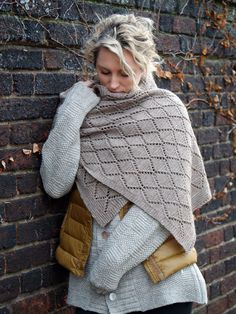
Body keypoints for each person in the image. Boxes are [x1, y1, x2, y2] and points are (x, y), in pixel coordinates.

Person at [40, 14, 212, 314]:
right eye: (105, 72)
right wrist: (72, 110)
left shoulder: (165, 111)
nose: (114, 84)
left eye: (125, 73)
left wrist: (110, 266)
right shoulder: (82, 109)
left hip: (160, 287)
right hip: (93, 294)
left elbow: (165, 203)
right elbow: (56, 184)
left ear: (144, 67)